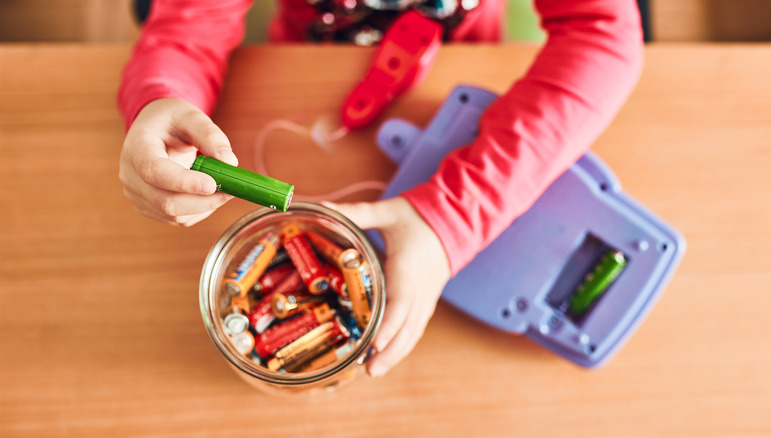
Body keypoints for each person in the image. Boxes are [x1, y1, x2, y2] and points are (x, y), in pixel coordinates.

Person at [118, 0, 644, 377]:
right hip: (305, 61)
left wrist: (452, 220)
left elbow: (603, 33)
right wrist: (161, 98)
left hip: (459, 61)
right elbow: (189, 28)